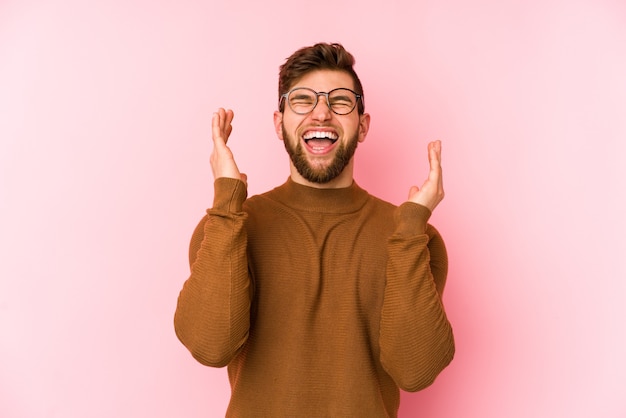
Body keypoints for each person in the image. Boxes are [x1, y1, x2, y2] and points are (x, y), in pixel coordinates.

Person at [174, 42, 454, 417]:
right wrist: (226, 203)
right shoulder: (228, 226)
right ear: (279, 123)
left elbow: (415, 370)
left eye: (340, 101)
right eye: (303, 100)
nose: (321, 113)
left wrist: (409, 230)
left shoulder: (413, 238)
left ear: (364, 125)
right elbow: (211, 346)